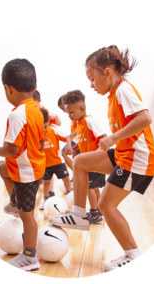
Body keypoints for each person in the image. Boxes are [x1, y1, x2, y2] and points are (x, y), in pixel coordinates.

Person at [49, 46, 154, 275]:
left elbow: (145, 118)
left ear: (107, 72)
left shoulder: (123, 90)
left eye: (92, 78)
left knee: (106, 206)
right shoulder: (114, 94)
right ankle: (78, 214)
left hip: (137, 160)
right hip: (124, 154)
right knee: (80, 162)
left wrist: (114, 138)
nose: (91, 85)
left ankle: (134, 256)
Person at [0, 59, 45, 275]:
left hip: (26, 173)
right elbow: (39, 142)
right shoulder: (36, 110)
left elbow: (11, 150)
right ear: (34, 86)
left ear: (8, 88)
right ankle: (14, 202)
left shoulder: (17, 114)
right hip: (31, 167)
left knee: (27, 216)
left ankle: (30, 256)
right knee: (3, 170)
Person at [62, 90, 108, 224]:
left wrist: (96, 155)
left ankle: (95, 213)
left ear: (82, 109)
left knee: (89, 187)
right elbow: (86, 141)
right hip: (90, 162)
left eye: (71, 112)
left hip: (95, 162)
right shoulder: (80, 124)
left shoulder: (89, 121)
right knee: (92, 187)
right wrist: (76, 148)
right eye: (68, 113)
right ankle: (97, 210)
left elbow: (104, 138)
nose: (69, 116)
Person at [38, 109, 72, 211]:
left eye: (45, 126)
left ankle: (70, 197)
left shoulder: (54, 130)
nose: (43, 129)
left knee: (66, 179)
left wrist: (69, 146)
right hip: (45, 164)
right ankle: (45, 199)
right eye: (41, 127)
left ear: (48, 122)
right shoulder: (36, 133)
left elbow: (67, 137)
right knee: (46, 182)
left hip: (58, 162)